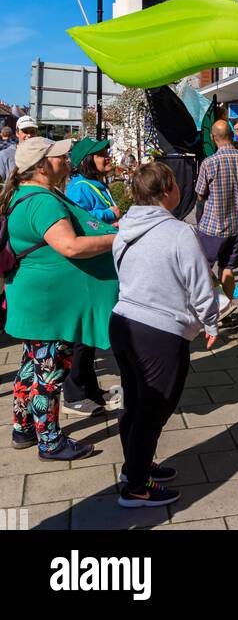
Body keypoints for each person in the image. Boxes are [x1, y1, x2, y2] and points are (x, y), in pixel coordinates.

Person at [110, 161, 219, 508]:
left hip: (124, 321)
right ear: (167, 190)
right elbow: (200, 283)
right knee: (154, 408)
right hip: (159, 330)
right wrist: (211, 321)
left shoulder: (124, 227)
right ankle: (136, 488)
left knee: (134, 400)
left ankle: (135, 467)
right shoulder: (178, 233)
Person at [1, 137, 118, 460]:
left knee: (31, 367)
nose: (66, 161)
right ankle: (50, 442)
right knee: (49, 374)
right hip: (48, 307)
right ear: (40, 166)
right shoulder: (42, 201)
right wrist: (116, 240)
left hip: (36, 301)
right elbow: (70, 246)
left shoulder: (25, 194)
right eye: (59, 157)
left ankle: (23, 428)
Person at [62, 136, 121, 415]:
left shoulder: (94, 184)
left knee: (91, 333)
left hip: (99, 266)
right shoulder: (79, 187)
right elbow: (80, 221)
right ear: (87, 161)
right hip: (88, 271)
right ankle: (73, 394)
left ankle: (91, 390)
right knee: (84, 336)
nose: (107, 157)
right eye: (101, 154)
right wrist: (110, 214)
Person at [194, 120, 238, 302]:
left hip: (213, 227)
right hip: (237, 227)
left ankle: (217, 308)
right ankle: (228, 307)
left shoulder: (209, 163)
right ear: (232, 136)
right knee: (227, 268)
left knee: (203, 267)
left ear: (213, 138)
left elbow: (200, 195)